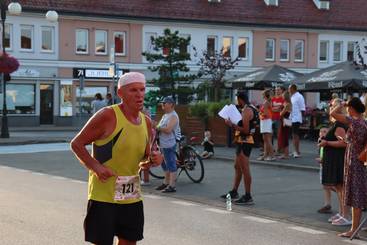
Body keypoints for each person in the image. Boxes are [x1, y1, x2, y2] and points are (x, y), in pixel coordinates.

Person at [70, 72, 163, 245]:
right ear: (120, 93)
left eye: (142, 90)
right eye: (133, 90)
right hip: (103, 196)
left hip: (131, 197)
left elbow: (144, 160)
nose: (139, 94)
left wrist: (154, 160)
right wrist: (96, 167)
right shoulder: (107, 116)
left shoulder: (147, 122)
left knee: (129, 242)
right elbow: (77, 144)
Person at [330, 97, 367, 238]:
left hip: (353, 161)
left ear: (352, 108)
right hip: (359, 160)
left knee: (355, 196)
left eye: (348, 108)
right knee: (356, 195)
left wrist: (341, 104)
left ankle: (354, 230)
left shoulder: (354, 121)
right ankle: (354, 229)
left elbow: (333, 114)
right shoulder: (364, 122)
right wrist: (346, 140)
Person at [318, 99, 350, 225]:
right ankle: (342, 213)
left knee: (341, 188)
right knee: (338, 187)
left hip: (338, 160)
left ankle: (346, 215)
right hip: (334, 159)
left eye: (332, 106)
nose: (329, 108)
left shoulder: (340, 124)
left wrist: (327, 142)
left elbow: (344, 143)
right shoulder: (337, 123)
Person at [221, 91, 257, 205]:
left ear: (240, 99)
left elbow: (245, 130)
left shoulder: (246, 110)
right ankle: (234, 191)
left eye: (237, 99)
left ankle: (248, 195)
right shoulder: (252, 108)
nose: (237, 102)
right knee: (237, 166)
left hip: (244, 141)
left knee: (245, 168)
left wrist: (231, 125)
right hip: (244, 140)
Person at [155, 96, 181, 193]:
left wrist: (157, 127)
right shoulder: (165, 115)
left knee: (171, 164)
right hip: (162, 144)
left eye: (164, 103)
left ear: (171, 104)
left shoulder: (173, 116)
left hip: (169, 144)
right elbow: (160, 126)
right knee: (164, 164)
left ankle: (172, 186)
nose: (162, 104)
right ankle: (166, 183)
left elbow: (168, 130)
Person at [288, 84, 305, 158]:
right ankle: (294, 150)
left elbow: (302, 108)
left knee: (296, 135)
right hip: (291, 118)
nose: (288, 90)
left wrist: (302, 119)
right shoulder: (292, 96)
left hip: (297, 118)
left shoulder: (299, 96)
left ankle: (297, 152)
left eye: (289, 89)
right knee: (293, 135)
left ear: (293, 89)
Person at [258, 89, 275, 161]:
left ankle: (271, 155)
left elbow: (266, 114)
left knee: (267, 139)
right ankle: (265, 155)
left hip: (266, 121)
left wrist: (260, 113)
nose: (262, 95)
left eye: (263, 94)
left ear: (265, 95)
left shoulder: (266, 102)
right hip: (266, 121)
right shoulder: (268, 102)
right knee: (265, 139)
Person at [277, 91, 292, 159]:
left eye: (283, 95)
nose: (282, 96)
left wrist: (280, 110)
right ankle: (284, 153)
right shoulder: (285, 103)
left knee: (284, 137)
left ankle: (286, 154)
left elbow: (281, 113)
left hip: (285, 121)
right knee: (282, 137)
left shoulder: (287, 104)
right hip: (283, 121)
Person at [271, 86, 285, 154]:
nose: (277, 91)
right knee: (271, 134)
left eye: (278, 90)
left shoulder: (283, 99)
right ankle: (271, 149)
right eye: (276, 90)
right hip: (272, 118)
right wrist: (276, 109)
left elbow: (281, 109)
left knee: (279, 135)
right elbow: (270, 108)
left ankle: (279, 149)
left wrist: (275, 109)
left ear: (281, 91)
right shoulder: (272, 99)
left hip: (279, 118)